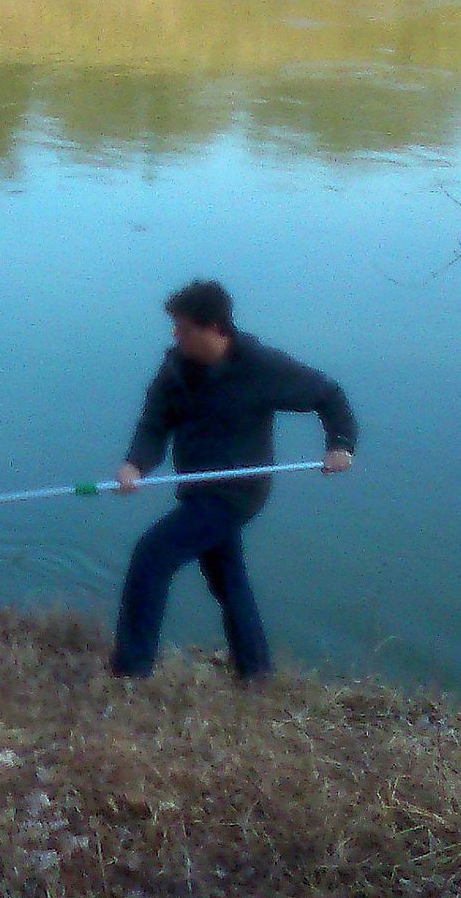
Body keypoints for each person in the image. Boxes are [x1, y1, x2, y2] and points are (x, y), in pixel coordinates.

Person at [110, 280, 357, 683]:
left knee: (151, 556)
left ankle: (131, 673)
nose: (175, 336)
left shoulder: (261, 366)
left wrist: (340, 445)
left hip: (236, 493)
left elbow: (329, 396)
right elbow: (155, 422)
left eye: (183, 328)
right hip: (196, 486)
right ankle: (255, 671)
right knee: (226, 578)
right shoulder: (176, 369)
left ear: (214, 328)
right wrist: (135, 464)